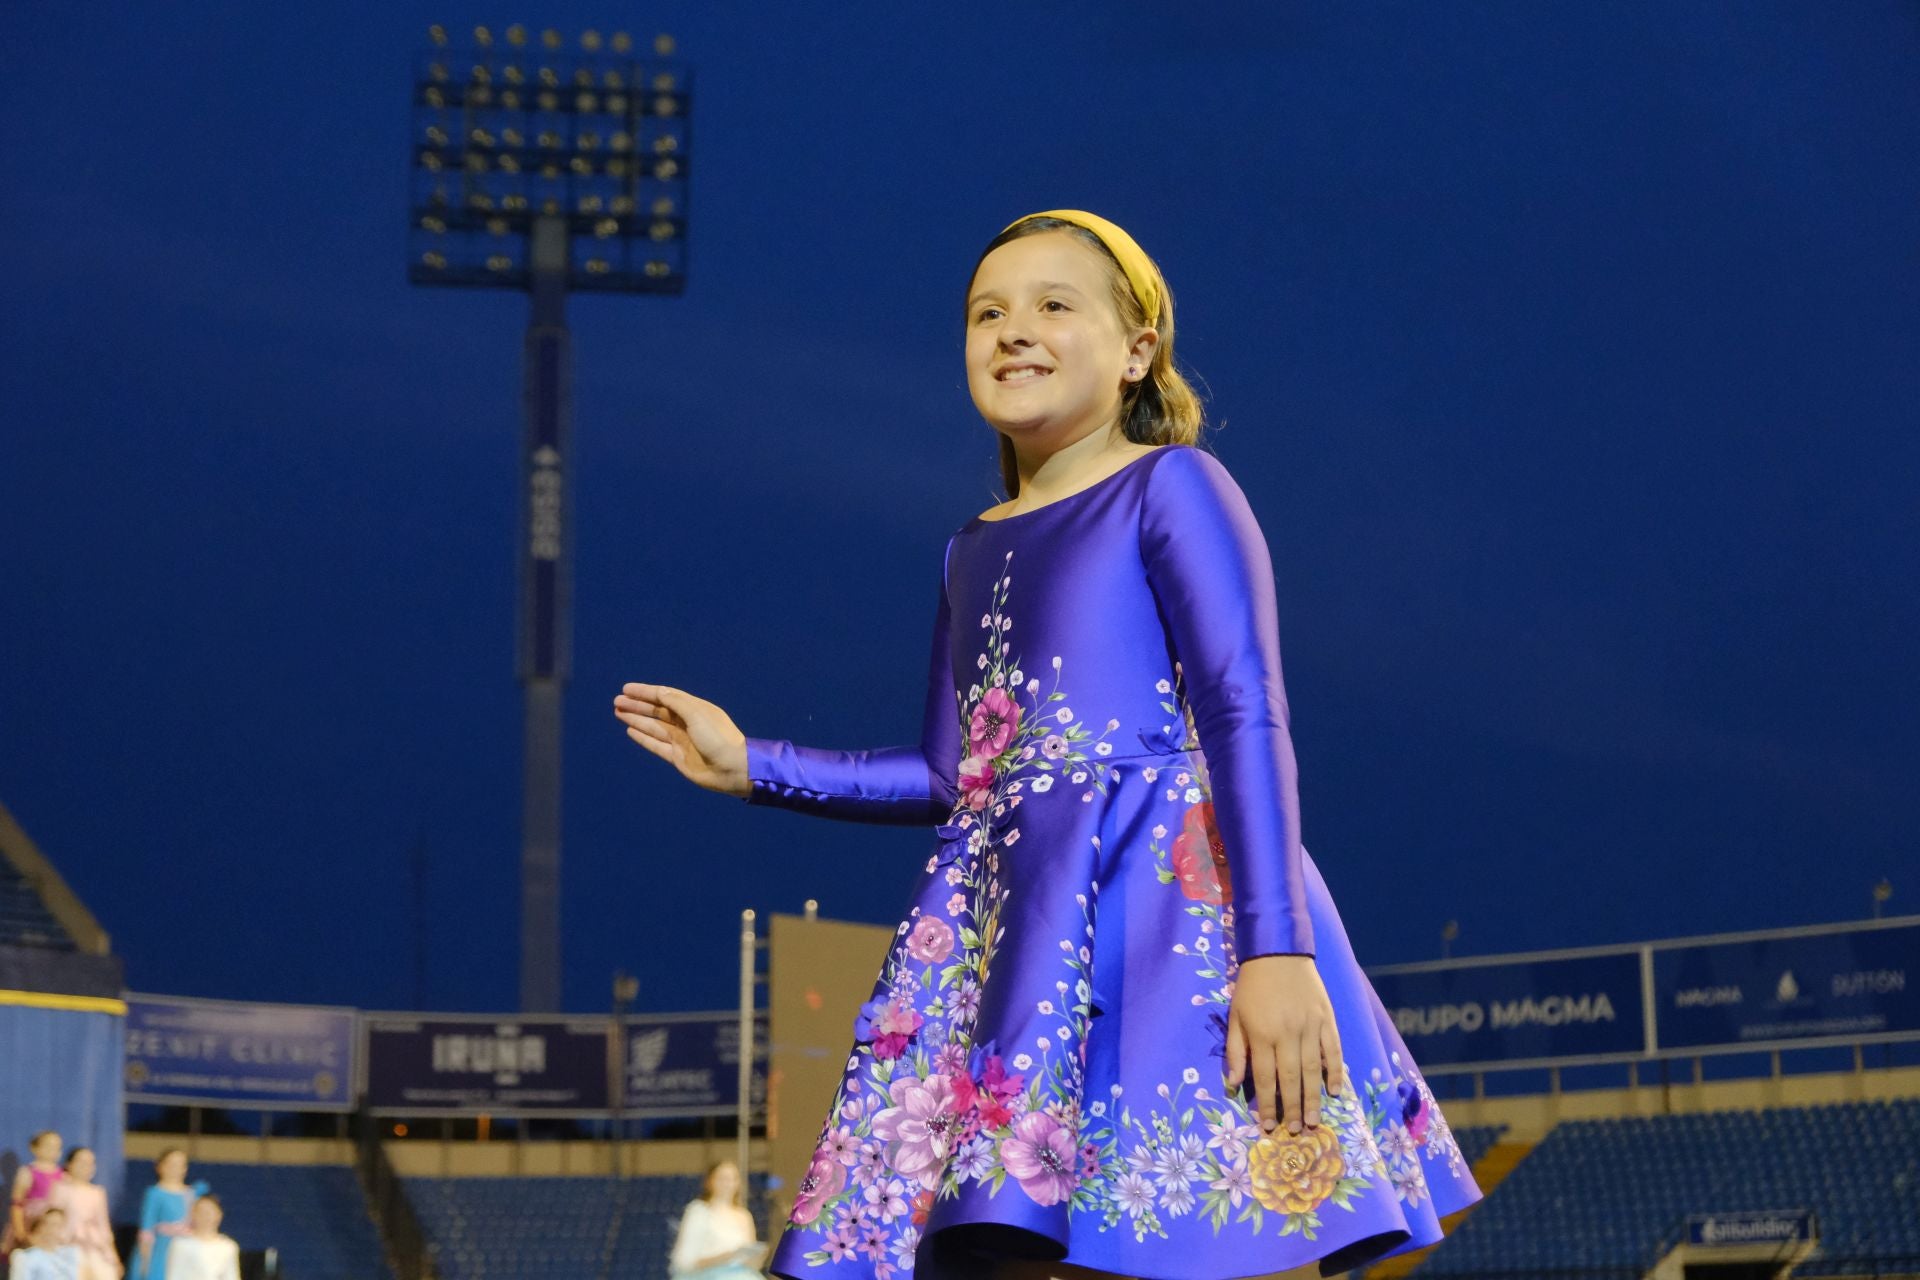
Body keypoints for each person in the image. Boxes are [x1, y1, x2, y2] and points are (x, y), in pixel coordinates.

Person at [613, 211, 1482, 1280]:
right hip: (1016, 944)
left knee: (1193, 1242)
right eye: (988, 312)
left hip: (1172, 923)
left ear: (1137, 350)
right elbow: (953, 779)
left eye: (1053, 305)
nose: (1013, 330)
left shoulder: (1174, 487)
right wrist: (754, 762)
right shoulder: (968, 547)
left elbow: (1243, 710)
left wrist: (1276, 948)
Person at [668, 1162, 768, 1279]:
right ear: (710, 1182)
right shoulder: (698, 1211)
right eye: (722, 1178)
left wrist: (758, 1257)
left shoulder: (745, 1216)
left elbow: (751, 1262)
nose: (727, 1183)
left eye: (732, 1179)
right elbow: (685, 1262)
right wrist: (727, 1257)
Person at [49, 1150, 119, 1280]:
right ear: (69, 1164)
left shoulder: (97, 1192)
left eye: (90, 1163)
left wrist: (112, 1253)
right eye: (81, 1162)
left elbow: (103, 1225)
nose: (86, 1166)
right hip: (67, 1243)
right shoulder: (60, 1189)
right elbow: (53, 1219)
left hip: (94, 1245)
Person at [130, 1152, 194, 1280]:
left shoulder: (191, 1193)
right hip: (161, 1250)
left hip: (186, 1249)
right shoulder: (154, 1193)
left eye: (180, 1165)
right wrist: (145, 1258)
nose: (175, 1168)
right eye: (171, 1164)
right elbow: (147, 1226)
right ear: (160, 1166)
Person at [4, 1132, 63, 1259]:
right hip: (32, 1225)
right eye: (47, 1145)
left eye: (56, 1147)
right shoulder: (27, 1172)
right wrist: (20, 1232)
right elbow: (17, 1204)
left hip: (54, 1228)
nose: (52, 1150)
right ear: (34, 1148)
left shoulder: (64, 1175)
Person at [159, 1198, 235, 1280]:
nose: (206, 1216)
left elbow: (231, 1276)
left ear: (219, 1215)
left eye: (210, 1212)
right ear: (193, 1214)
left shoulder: (228, 1246)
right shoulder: (180, 1245)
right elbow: (173, 1275)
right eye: (201, 1211)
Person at [7, 1209, 80, 1280]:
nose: (50, 1229)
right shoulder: (26, 1256)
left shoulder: (71, 1254)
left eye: (56, 1225)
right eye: (47, 1223)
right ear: (40, 1227)